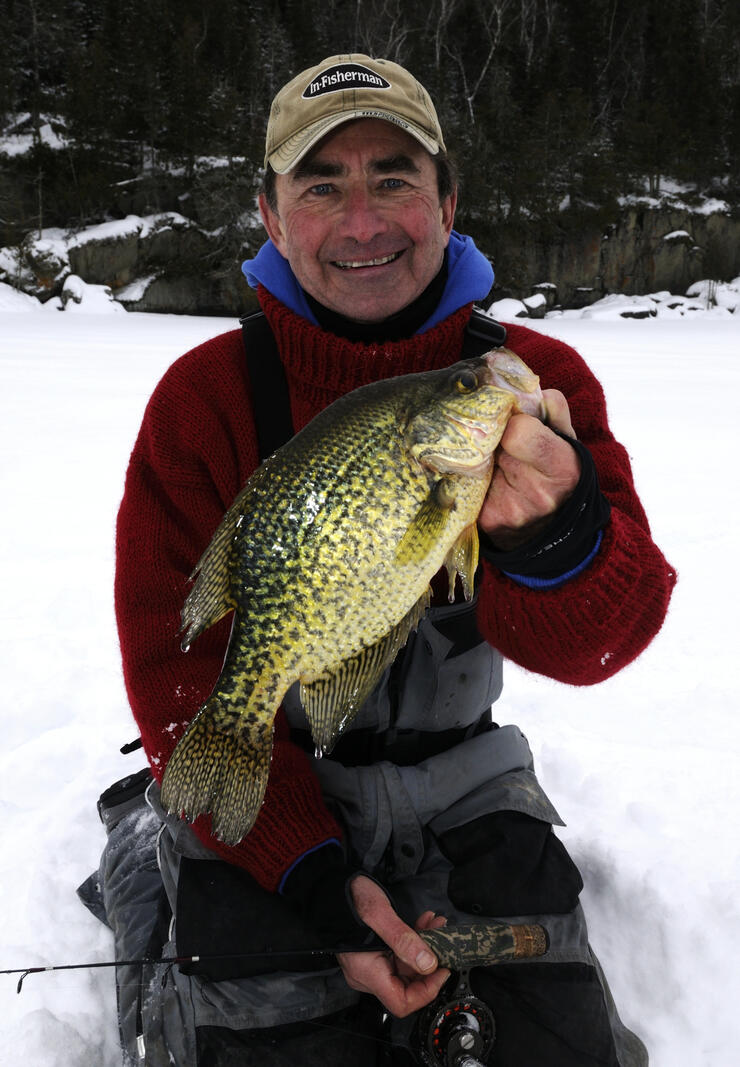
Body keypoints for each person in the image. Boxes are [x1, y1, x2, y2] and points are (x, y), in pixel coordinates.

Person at [82, 54, 676, 1066]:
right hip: (270, 782)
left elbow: (602, 643)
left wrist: (551, 533)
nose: (362, 221)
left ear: (447, 200)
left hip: (465, 784)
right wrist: (311, 875)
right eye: (322, 185)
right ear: (271, 217)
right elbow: (178, 673)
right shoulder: (203, 401)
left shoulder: (526, 384)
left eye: (393, 177)